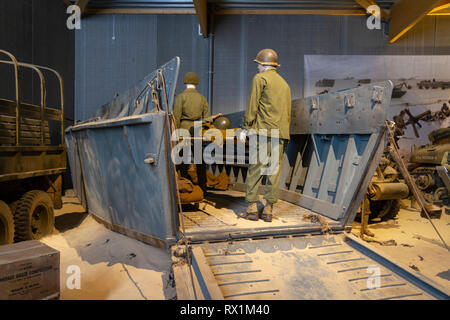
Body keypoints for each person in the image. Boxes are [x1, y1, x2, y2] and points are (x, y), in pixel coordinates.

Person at [238, 49, 291, 222]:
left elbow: (252, 105)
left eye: (258, 65)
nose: (258, 68)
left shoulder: (260, 79)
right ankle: (268, 210)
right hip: (280, 133)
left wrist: (245, 127)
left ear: (262, 64)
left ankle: (252, 209)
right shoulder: (285, 84)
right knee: (273, 171)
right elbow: (288, 113)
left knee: (256, 169)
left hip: (263, 132)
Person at [173, 72, 209, 194]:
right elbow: (207, 118)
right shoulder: (202, 98)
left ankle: (185, 185)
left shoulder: (180, 97)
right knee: (200, 160)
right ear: (196, 83)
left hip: (183, 130)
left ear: (185, 82)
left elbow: (176, 117)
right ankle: (203, 188)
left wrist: (175, 133)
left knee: (182, 160)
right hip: (197, 131)